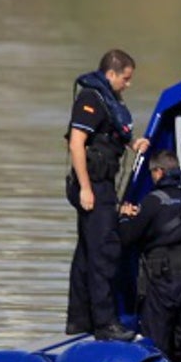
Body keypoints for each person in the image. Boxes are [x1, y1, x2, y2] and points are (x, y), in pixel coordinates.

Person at [65, 48, 149, 341]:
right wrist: (86, 188)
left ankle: (78, 320)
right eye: (125, 78)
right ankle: (105, 323)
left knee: (87, 253)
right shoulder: (91, 98)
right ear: (111, 73)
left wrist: (133, 144)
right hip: (94, 185)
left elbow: (111, 134)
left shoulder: (108, 99)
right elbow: (77, 144)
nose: (128, 84)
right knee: (104, 252)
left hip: (102, 183)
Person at [119, 150, 181, 362]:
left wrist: (124, 217)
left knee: (157, 336)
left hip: (163, 277)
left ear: (159, 172)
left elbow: (128, 237)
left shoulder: (153, 201)